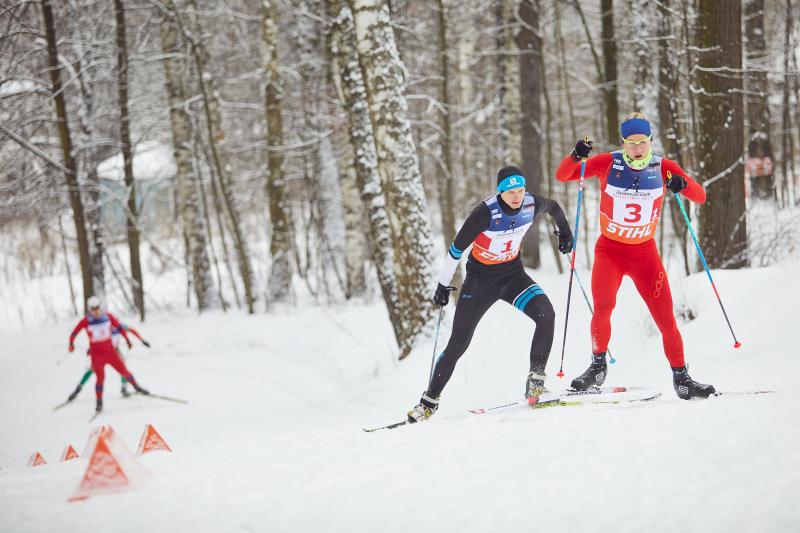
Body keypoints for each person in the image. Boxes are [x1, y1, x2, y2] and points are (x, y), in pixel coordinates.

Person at [555, 112, 715, 400]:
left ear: (650, 141)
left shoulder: (663, 166)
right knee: (603, 309)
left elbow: (700, 196)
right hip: (610, 252)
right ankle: (597, 367)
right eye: (631, 143)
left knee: (666, 319)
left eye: (642, 142)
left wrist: (682, 185)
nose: (638, 148)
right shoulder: (607, 163)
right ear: (623, 143)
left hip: (644, 255)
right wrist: (575, 155)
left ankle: (682, 378)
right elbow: (563, 175)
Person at [407, 166, 574, 422]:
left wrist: (565, 233)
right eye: (510, 192)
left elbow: (553, 208)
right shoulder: (484, 214)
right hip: (480, 282)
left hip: (513, 276)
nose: (517, 197)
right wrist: (442, 285)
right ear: (500, 192)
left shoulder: (530, 204)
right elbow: (455, 250)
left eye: (520, 190)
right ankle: (428, 403)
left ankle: (536, 383)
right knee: (459, 343)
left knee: (546, 314)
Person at [68, 295, 149, 412]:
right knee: (99, 377)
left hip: (111, 351)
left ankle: (136, 387)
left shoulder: (108, 317)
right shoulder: (86, 321)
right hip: (96, 354)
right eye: (93, 309)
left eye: (97, 308)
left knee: (124, 370)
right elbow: (74, 333)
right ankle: (98, 402)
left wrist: (128, 340)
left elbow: (122, 328)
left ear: (100, 307)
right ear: (89, 309)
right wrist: (71, 344)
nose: (95, 311)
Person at [66, 321, 151, 401]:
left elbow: (132, 331)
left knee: (123, 368)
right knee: (92, 369)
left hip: (114, 351)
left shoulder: (120, 326)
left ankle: (124, 388)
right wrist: (91, 349)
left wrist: (142, 340)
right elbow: (96, 338)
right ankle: (78, 389)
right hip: (101, 352)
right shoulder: (105, 325)